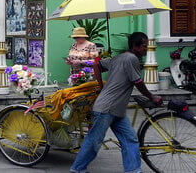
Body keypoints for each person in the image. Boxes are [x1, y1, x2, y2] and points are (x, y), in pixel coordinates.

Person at [70, 32, 163, 173]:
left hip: (117, 110)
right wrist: (152, 97)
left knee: (130, 139)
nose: (146, 49)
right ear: (135, 46)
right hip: (106, 108)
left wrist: (101, 86)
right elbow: (138, 82)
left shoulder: (119, 58)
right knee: (94, 141)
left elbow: (97, 65)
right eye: (144, 46)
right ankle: (77, 169)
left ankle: (133, 170)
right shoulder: (131, 59)